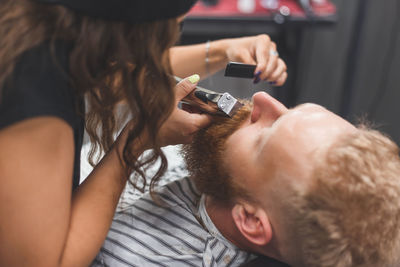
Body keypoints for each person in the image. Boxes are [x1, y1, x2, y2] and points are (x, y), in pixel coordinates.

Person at [0, 0, 288, 265]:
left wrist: (223, 52)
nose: (266, 101)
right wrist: (135, 142)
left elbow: (111, 75)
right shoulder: (32, 96)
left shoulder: (38, 23)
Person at [94, 92, 400, 267]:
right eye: (289, 109)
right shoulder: (221, 178)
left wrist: (130, 145)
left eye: (264, 137)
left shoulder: (137, 258)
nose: (262, 98)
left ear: (251, 221)